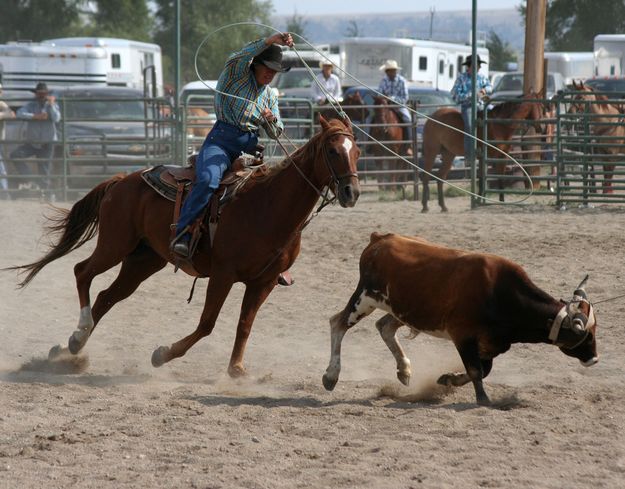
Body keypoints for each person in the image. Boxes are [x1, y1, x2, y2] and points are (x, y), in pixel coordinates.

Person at [171, 32, 294, 259]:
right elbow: (237, 57)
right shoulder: (235, 75)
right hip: (221, 143)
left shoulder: (270, 96)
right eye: (267, 67)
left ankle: (268, 252)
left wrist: (272, 120)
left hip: (250, 149)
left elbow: (276, 132)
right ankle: (184, 234)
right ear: (255, 64)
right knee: (208, 179)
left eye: (275, 71)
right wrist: (269, 40)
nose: (270, 74)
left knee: (269, 193)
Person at [10, 82, 61, 195]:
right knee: (16, 155)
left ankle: (46, 193)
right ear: (36, 94)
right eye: (39, 93)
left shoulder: (52, 104)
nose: (42, 95)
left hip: (47, 142)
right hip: (32, 142)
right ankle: (30, 178)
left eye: (44, 93)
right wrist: (34, 116)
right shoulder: (31, 105)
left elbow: (57, 118)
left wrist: (51, 104)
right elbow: (19, 113)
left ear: (47, 94)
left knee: (44, 169)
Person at [451, 54, 492, 161]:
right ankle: (469, 156)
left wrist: (484, 90)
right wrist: (471, 95)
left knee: (494, 117)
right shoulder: (461, 78)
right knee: (470, 127)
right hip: (468, 106)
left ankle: (491, 149)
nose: (478, 68)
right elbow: (455, 96)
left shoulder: (482, 77)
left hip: (481, 105)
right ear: (469, 67)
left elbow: (490, 87)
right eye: (476, 66)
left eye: (478, 66)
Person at [377, 59, 413, 156]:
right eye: (389, 70)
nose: (392, 72)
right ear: (386, 71)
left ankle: (408, 146)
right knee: (373, 118)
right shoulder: (383, 80)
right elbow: (379, 93)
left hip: (399, 106)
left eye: (393, 70)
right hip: (385, 106)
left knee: (407, 119)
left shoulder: (402, 81)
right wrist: (383, 98)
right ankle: (370, 145)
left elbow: (405, 97)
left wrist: (392, 99)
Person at [0, 83, 16, 199]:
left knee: (1, 168)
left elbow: (11, 115)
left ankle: (5, 193)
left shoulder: (2, 104)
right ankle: (5, 193)